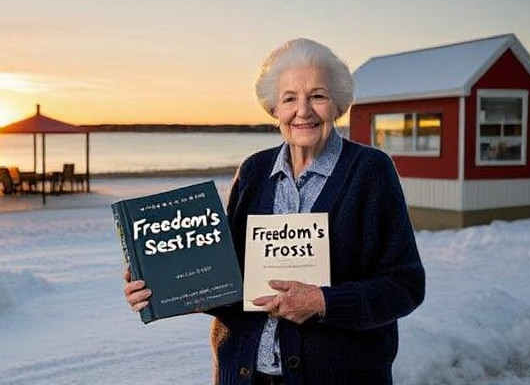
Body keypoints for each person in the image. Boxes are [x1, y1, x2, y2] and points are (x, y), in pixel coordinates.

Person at [124, 38, 426, 385]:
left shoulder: (371, 172)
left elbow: (405, 286)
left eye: (317, 96)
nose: (303, 110)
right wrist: (162, 283)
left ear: (338, 104)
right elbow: (228, 283)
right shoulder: (253, 172)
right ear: (274, 109)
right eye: (289, 98)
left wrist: (323, 301)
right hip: (243, 374)